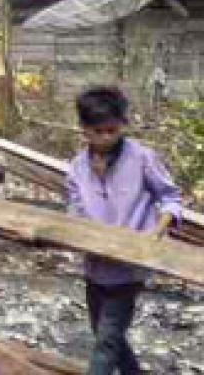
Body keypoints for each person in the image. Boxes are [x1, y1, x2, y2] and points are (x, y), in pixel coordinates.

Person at [65, 86, 182, 375]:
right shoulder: (77, 168)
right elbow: (74, 209)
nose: (106, 137)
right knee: (105, 334)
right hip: (95, 264)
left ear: (122, 125)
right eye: (98, 131)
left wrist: (157, 231)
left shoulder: (142, 158)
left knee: (106, 340)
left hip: (131, 265)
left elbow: (170, 197)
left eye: (112, 130)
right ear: (84, 130)